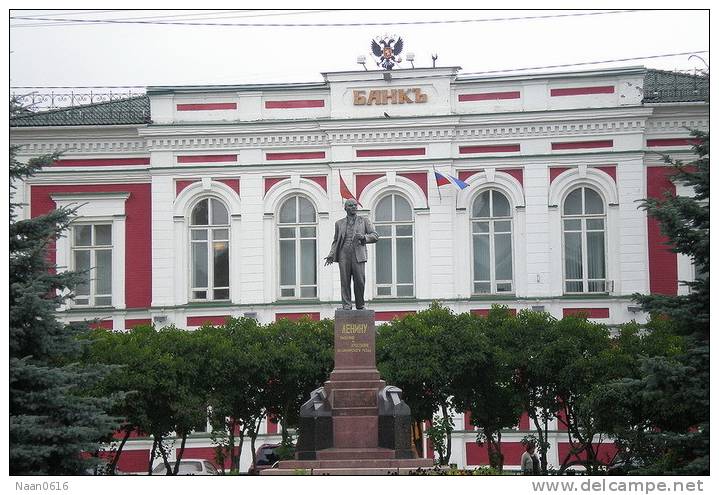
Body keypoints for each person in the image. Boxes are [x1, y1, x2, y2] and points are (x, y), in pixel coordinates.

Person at [324, 198, 378, 310]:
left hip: (358, 254)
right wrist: (331, 254)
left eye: (355, 205)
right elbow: (336, 241)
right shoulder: (339, 223)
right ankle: (346, 305)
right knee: (345, 281)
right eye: (351, 205)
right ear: (345, 208)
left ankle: (360, 305)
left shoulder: (364, 221)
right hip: (344, 253)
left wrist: (364, 237)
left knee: (359, 281)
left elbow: (375, 236)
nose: (354, 207)